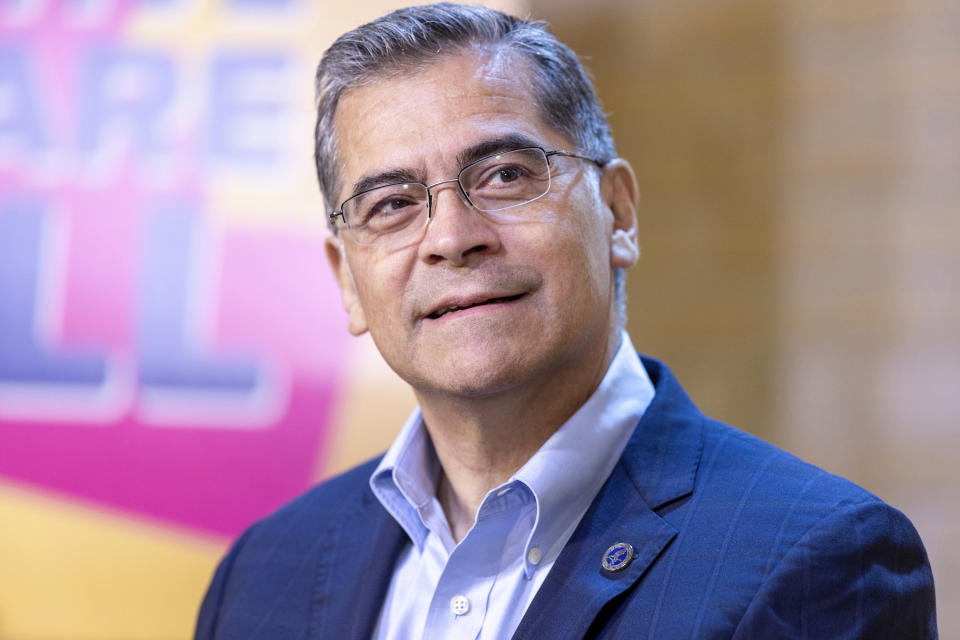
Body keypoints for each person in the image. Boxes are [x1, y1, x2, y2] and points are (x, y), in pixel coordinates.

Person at [195, 4, 937, 638]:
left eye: (505, 175)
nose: (452, 237)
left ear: (617, 213)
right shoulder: (263, 578)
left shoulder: (816, 557)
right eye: (391, 204)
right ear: (346, 282)